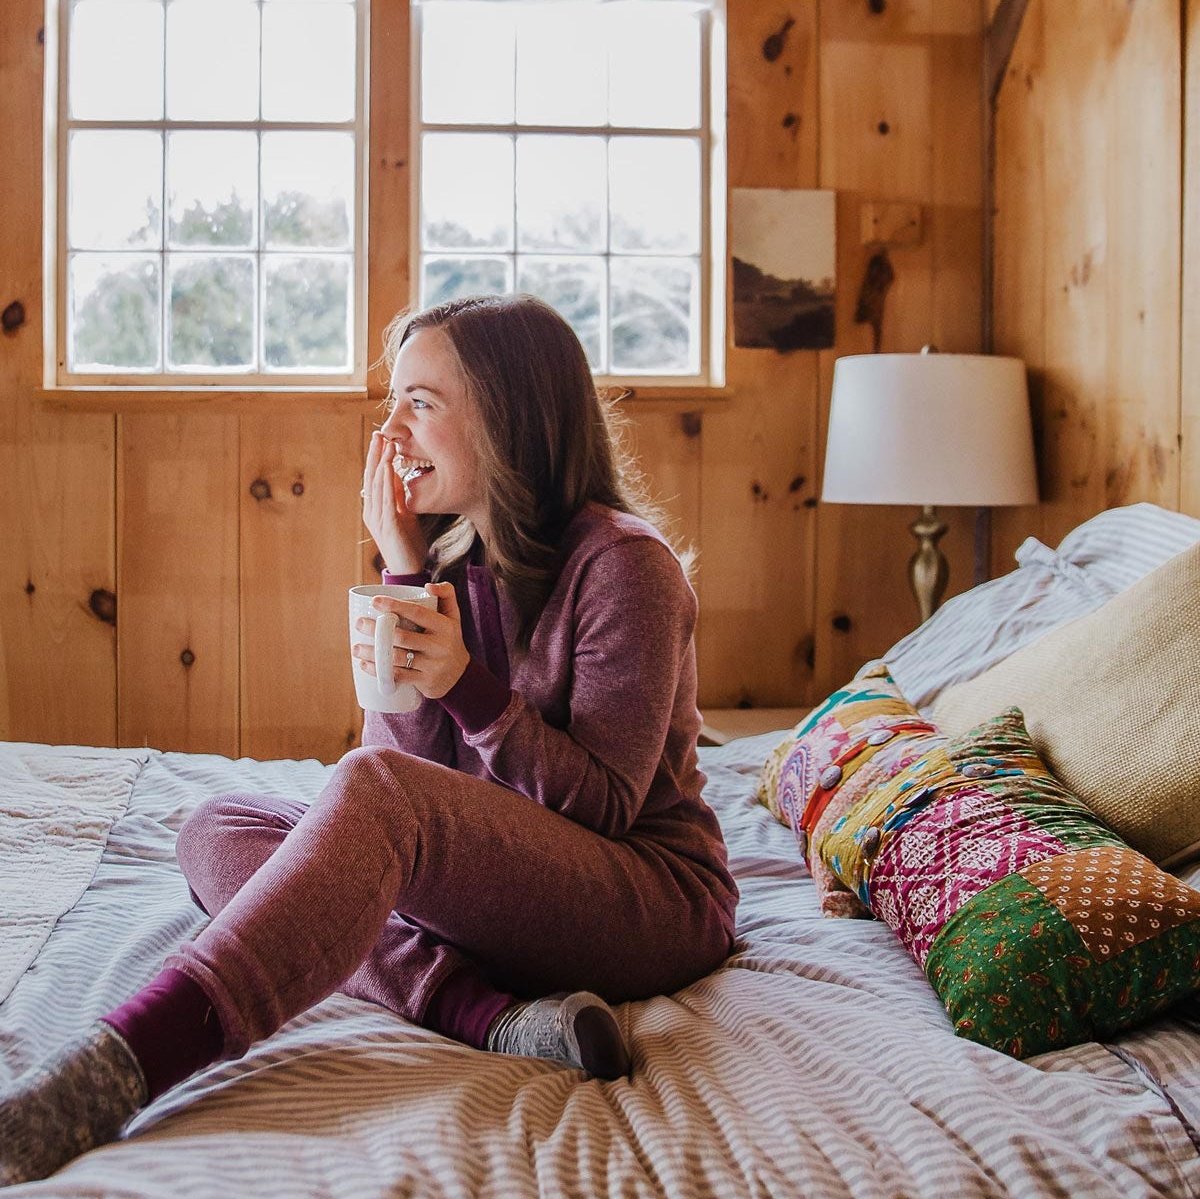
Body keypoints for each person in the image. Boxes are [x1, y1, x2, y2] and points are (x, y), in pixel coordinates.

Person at [0, 293, 738, 1186]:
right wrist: (402, 569)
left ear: (508, 417)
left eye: (420, 402)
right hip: (516, 889)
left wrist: (468, 687)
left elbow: (603, 810)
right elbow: (412, 779)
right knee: (213, 827)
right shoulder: (456, 559)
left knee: (369, 797)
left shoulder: (625, 565)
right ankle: (489, 1015)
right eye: (393, 400)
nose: (388, 429)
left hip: (648, 898)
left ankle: (125, 1060)